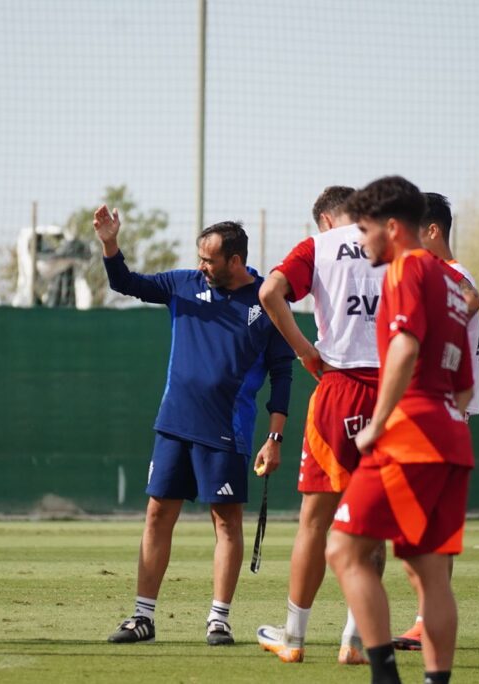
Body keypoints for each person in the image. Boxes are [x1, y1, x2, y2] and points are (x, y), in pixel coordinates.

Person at [94, 207, 293, 646]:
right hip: (174, 424)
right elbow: (125, 282)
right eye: (199, 257)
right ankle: (142, 617)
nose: (201, 266)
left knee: (226, 523)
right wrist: (110, 244)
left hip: (227, 429)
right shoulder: (183, 284)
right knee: (157, 514)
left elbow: (283, 372)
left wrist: (274, 437)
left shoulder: (267, 300)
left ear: (235, 261)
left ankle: (218, 618)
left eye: (209, 260)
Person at [326, 176, 474, 684]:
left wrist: (379, 424)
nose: (361, 241)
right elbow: (463, 390)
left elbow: (406, 349)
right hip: (452, 437)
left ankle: (384, 676)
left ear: (392, 228)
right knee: (428, 573)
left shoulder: (405, 268)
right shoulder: (451, 281)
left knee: (342, 549)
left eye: (364, 229)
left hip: (411, 436)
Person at [253, 186, 385, 665]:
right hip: (391, 395)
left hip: (339, 387)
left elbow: (269, 292)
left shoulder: (319, 246)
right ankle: (356, 640)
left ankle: (294, 636)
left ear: (326, 219)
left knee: (314, 520)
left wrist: (305, 350)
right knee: (373, 522)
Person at [393, 192, 479, 651]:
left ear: (432, 231)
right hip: (446, 414)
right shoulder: (442, 275)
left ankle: (428, 621)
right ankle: (428, 619)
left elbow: (473, 297)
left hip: (440, 415)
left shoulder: (449, 274)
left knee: (427, 530)